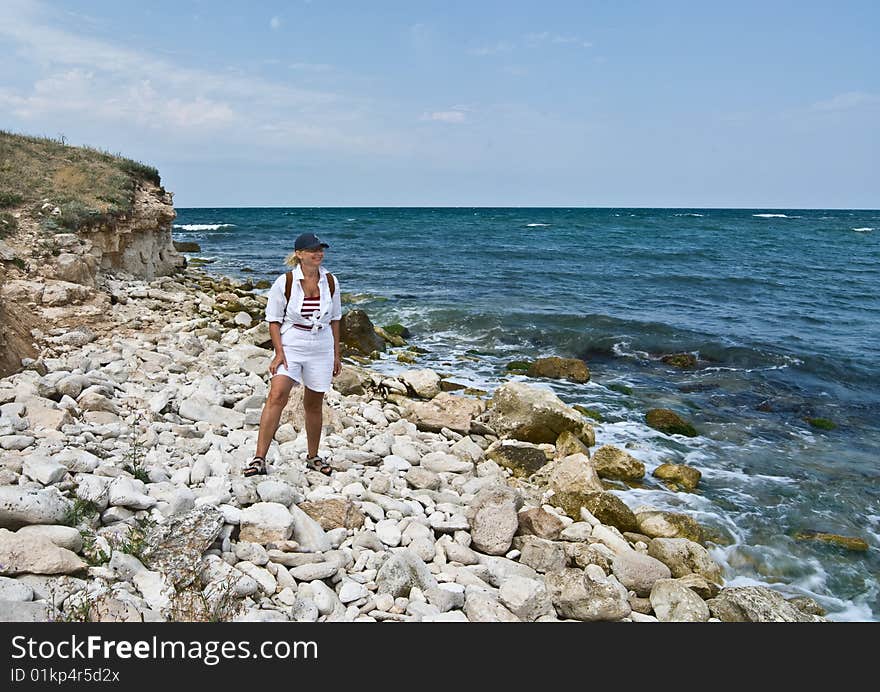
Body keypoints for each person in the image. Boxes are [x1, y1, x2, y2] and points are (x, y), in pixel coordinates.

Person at [244, 232, 342, 477]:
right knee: (277, 394)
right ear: (299, 254)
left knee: (314, 403)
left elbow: (336, 319)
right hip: (292, 342)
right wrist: (278, 353)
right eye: (312, 250)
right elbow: (274, 321)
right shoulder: (284, 282)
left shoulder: (330, 281)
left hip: (321, 344)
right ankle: (259, 458)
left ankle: (313, 457)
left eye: (321, 249)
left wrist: (336, 354)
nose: (318, 253)